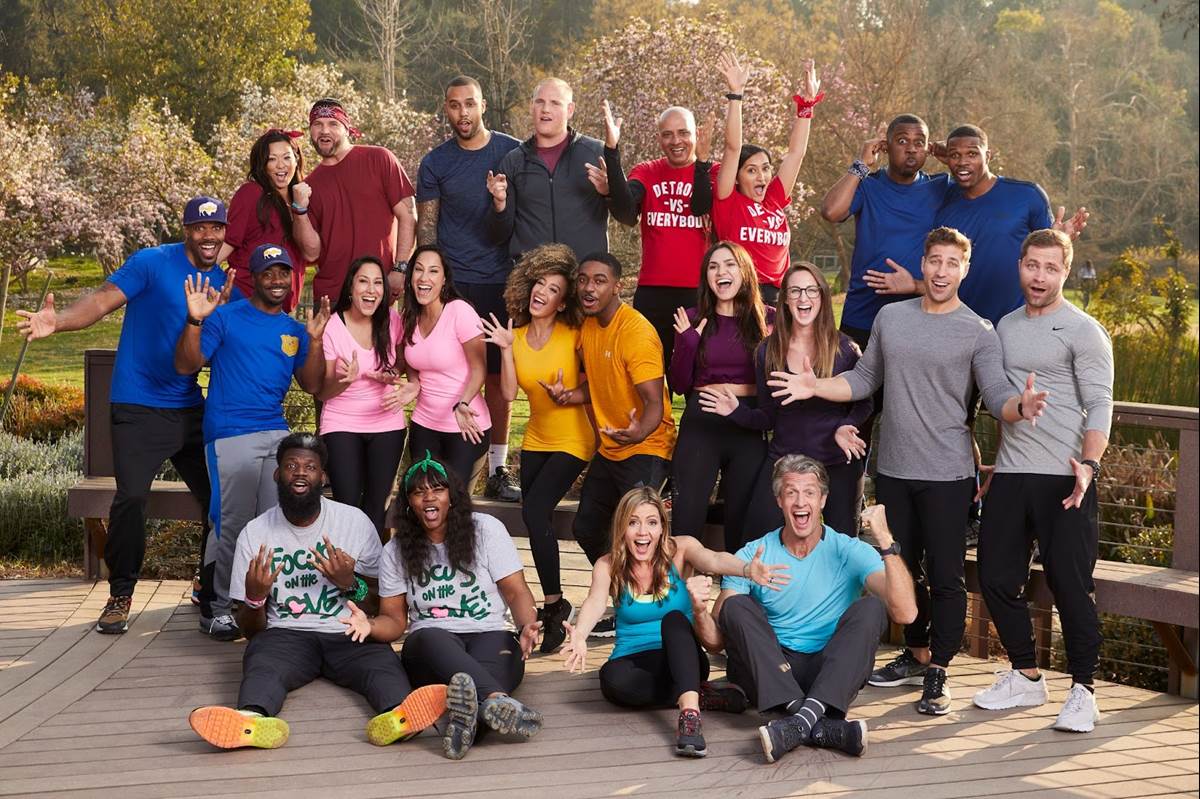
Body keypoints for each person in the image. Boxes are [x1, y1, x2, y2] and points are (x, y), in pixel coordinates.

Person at [768, 227, 1048, 716]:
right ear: (923, 263)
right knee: (900, 566)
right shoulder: (891, 318)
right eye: (934, 260)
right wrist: (816, 386)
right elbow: (864, 379)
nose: (941, 271)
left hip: (948, 474)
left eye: (952, 263)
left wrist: (1019, 408)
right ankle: (916, 653)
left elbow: (998, 395)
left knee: (945, 576)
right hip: (894, 469)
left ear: (965, 269)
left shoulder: (978, 331)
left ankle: (938, 669)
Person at [15, 196, 230, 635]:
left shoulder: (225, 283)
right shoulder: (152, 262)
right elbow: (100, 301)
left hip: (190, 407)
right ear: (186, 230)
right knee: (131, 498)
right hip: (137, 405)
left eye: (216, 228)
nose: (208, 236)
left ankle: (208, 590)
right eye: (200, 227)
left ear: (225, 232)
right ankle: (120, 595)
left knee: (221, 501)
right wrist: (58, 322)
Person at [187, 434, 448, 750]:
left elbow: (382, 603)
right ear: (276, 474)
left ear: (323, 476)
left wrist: (349, 583)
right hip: (286, 635)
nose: (300, 472)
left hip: (349, 631)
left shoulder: (354, 522)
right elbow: (251, 631)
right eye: (291, 465)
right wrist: (255, 598)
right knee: (262, 663)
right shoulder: (254, 533)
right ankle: (250, 721)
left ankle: (399, 718)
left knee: (382, 665)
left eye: (310, 467)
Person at [689, 455, 918, 764]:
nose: (800, 501)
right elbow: (717, 642)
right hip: (771, 671)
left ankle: (798, 721)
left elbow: (905, 614)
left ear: (822, 499)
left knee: (872, 608)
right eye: (791, 492)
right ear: (779, 500)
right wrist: (700, 611)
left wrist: (886, 540)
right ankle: (818, 723)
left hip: (829, 671)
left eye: (809, 492)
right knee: (734, 605)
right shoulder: (753, 554)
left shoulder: (849, 550)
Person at [973, 229, 1113, 733]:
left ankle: (1084, 691)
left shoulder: (1084, 330)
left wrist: (1089, 465)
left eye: (1051, 268)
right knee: (993, 575)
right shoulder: (1004, 327)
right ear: (1020, 265)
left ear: (1065, 272)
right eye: (1032, 265)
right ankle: (1027, 675)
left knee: (1070, 586)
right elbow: (1001, 399)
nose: (1040, 276)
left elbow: (1100, 403)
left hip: (1066, 477)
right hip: (1012, 473)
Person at [342, 453, 544, 760]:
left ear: (452, 496)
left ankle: (468, 720)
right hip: (430, 647)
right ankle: (497, 699)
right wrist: (369, 625)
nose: (428, 497)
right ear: (408, 503)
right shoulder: (395, 550)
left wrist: (526, 625)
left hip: (491, 634)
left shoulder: (486, 529)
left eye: (437, 489)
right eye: (418, 492)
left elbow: (516, 592)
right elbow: (394, 620)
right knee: (430, 638)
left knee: (478, 686)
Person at [563, 486, 789, 758]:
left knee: (673, 619)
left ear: (662, 527)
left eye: (651, 522)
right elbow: (595, 601)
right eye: (633, 523)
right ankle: (699, 694)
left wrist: (746, 569)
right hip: (635, 660)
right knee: (612, 682)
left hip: (684, 655)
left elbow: (714, 559)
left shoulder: (681, 550)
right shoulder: (608, 564)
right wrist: (580, 634)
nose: (643, 532)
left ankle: (690, 716)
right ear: (622, 527)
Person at [175, 243, 329, 640]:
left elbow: (313, 384)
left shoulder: (294, 330)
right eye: (268, 273)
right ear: (254, 278)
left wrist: (315, 341)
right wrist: (195, 320)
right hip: (231, 433)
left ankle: (258, 605)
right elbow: (186, 364)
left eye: (283, 273)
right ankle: (216, 608)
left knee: (274, 524)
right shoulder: (225, 317)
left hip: (276, 434)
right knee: (231, 522)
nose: (277, 280)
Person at [478, 244, 595, 653]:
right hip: (537, 439)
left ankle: (554, 605)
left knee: (534, 509)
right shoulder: (516, 336)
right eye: (539, 284)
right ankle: (557, 605)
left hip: (574, 438)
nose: (542, 292)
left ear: (563, 302)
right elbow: (509, 394)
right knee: (535, 515)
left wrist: (571, 394)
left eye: (553, 289)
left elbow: (596, 384)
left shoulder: (575, 335)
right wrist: (505, 348)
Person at [701, 261, 872, 541]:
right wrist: (735, 410)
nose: (803, 298)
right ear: (785, 300)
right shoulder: (768, 352)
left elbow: (864, 402)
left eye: (811, 290)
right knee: (756, 539)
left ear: (822, 297)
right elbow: (768, 416)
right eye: (795, 291)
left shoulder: (845, 349)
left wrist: (846, 425)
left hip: (836, 461)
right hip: (785, 460)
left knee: (843, 548)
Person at [417, 76, 523, 501]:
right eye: (454, 105)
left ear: (483, 106)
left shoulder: (511, 152)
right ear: (446, 108)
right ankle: (443, 452)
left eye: (470, 104)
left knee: (496, 377)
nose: (463, 112)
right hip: (454, 285)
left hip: (501, 280)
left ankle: (498, 468)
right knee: (449, 370)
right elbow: (427, 227)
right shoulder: (435, 162)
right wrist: (428, 281)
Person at [867, 124, 1089, 326]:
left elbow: (1047, 262)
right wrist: (915, 285)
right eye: (955, 155)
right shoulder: (943, 199)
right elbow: (948, 273)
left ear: (988, 156)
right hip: (957, 328)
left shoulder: (1027, 195)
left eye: (972, 154)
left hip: (1013, 327)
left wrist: (1060, 241)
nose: (963, 162)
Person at [542, 253, 676, 570]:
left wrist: (638, 432)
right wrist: (569, 395)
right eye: (583, 280)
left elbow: (654, 402)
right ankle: (620, 586)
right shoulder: (589, 326)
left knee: (639, 534)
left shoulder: (636, 333)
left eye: (599, 281)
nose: (589, 288)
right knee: (587, 528)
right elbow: (603, 382)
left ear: (617, 286)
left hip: (646, 447)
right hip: (612, 447)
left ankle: (650, 593)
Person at [667, 241, 771, 552]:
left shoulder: (769, 319)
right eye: (713, 267)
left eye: (729, 265)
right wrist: (687, 344)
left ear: (745, 272)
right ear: (706, 277)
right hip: (702, 422)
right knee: (686, 518)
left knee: (743, 522)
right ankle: (680, 584)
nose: (720, 272)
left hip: (747, 422)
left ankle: (738, 583)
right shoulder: (692, 317)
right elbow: (679, 384)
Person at [818, 114, 951, 354]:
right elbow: (831, 211)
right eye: (902, 141)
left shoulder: (940, 187)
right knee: (850, 378)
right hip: (862, 315)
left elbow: (979, 187)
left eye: (919, 142)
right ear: (885, 146)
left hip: (917, 319)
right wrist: (861, 164)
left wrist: (951, 156)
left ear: (928, 148)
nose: (911, 149)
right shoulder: (868, 185)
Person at [601, 101, 715, 365]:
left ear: (697, 134)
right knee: (648, 367)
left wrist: (703, 163)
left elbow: (702, 206)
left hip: (698, 292)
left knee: (698, 370)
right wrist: (612, 150)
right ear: (659, 139)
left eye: (683, 133)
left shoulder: (713, 172)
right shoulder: (647, 171)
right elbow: (626, 212)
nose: (676, 141)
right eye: (667, 134)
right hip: (653, 291)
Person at [711, 52, 821, 303]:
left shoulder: (774, 200)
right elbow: (732, 148)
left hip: (779, 297)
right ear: (737, 177)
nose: (761, 176)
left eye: (765, 168)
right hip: (743, 296)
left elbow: (796, 153)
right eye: (751, 170)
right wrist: (736, 95)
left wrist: (807, 105)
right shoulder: (729, 201)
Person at [317, 256, 416, 533]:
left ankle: (372, 562)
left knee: (376, 509)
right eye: (363, 281)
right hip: (341, 423)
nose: (371, 290)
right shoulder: (333, 326)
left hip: (387, 422)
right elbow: (324, 392)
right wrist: (344, 381)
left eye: (377, 283)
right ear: (351, 287)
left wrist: (392, 372)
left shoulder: (392, 320)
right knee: (347, 507)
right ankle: (346, 561)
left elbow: (404, 360)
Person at [393, 244, 491, 484]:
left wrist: (463, 403)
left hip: (464, 424)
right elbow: (413, 360)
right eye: (419, 269)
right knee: (421, 496)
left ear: (444, 279)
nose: (424, 277)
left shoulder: (460, 311)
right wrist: (414, 383)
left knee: (453, 500)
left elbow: (479, 368)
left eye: (433, 271)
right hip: (424, 424)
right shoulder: (408, 316)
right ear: (410, 277)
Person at [305, 98, 416, 304]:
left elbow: (408, 215)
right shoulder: (308, 186)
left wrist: (400, 269)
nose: (324, 131)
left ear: (347, 128)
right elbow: (311, 253)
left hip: (376, 291)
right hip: (332, 296)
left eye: (333, 124)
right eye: (317, 124)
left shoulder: (380, 159)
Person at [486, 77, 609, 262]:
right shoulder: (513, 161)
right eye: (540, 102)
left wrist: (609, 191)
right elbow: (498, 236)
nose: (545, 109)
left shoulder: (597, 152)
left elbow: (629, 216)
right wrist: (499, 204)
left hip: (584, 272)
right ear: (531, 107)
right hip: (533, 275)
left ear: (570, 110)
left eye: (555, 103)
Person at [220, 128, 320, 312]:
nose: (280, 165)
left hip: (279, 310)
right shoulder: (251, 193)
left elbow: (311, 255)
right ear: (262, 164)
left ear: (297, 159)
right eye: (272, 159)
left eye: (287, 157)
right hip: (245, 300)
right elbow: (224, 246)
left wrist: (300, 208)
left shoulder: (304, 201)